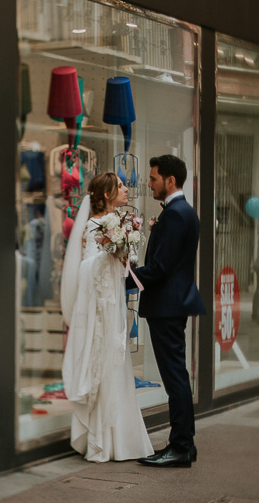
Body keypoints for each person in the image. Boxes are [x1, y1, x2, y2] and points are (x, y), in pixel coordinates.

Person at [61, 172, 154, 462]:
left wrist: (124, 252)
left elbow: (125, 267)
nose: (126, 189)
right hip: (102, 308)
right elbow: (87, 266)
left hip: (116, 305)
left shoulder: (121, 223)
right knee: (105, 363)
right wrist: (111, 249)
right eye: (121, 186)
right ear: (106, 195)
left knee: (119, 362)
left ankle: (122, 438)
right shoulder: (93, 225)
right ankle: (102, 439)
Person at [129, 154, 206, 468]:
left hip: (167, 305)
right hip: (173, 303)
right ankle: (184, 443)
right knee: (177, 376)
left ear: (170, 180)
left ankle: (181, 446)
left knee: (174, 377)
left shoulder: (175, 214)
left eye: (154, 178)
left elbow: (160, 267)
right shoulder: (183, 211)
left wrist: (125, 280)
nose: (149, 183)